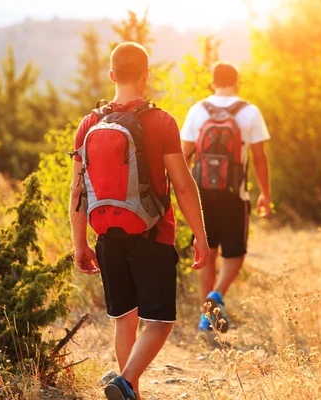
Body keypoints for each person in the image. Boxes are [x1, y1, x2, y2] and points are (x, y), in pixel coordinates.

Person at [69, 42, 210, 400]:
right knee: (160, 321)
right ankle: (127, 381)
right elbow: (182, 185)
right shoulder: (161, 121)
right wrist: (200, 236)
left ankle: (131, 389)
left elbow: (76, 191)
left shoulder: (88, 123)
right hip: (153, 233)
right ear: (146, 77)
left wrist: (80, 244)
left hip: (107, 235)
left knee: (124, 318)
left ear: (112, 75)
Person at [180, 61, 271, 333]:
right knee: (236, 253)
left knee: (205, 251)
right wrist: (265, 194)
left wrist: (180, 194)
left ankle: (205, 317)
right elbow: (259, 158)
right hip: (235, 194)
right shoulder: (250, 112)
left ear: (212, 82)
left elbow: (183, 155)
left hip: (201, 194)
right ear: (237, 81)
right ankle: (216, 295)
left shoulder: (198, 110)